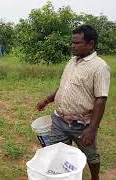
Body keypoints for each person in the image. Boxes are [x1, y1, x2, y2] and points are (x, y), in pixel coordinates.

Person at [36, 25, 110, 180]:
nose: (73, 46)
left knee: (91, 155)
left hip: (82, 124)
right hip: (59, 119)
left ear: (90, 44)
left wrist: (92, 128)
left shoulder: (100, 67)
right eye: (72, 42)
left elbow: (101, 99)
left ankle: (95, 178)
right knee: (55, 151)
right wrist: (47, 100)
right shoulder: (72, 61)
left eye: (77, 43)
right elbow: (64, 85)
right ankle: (61, 175)